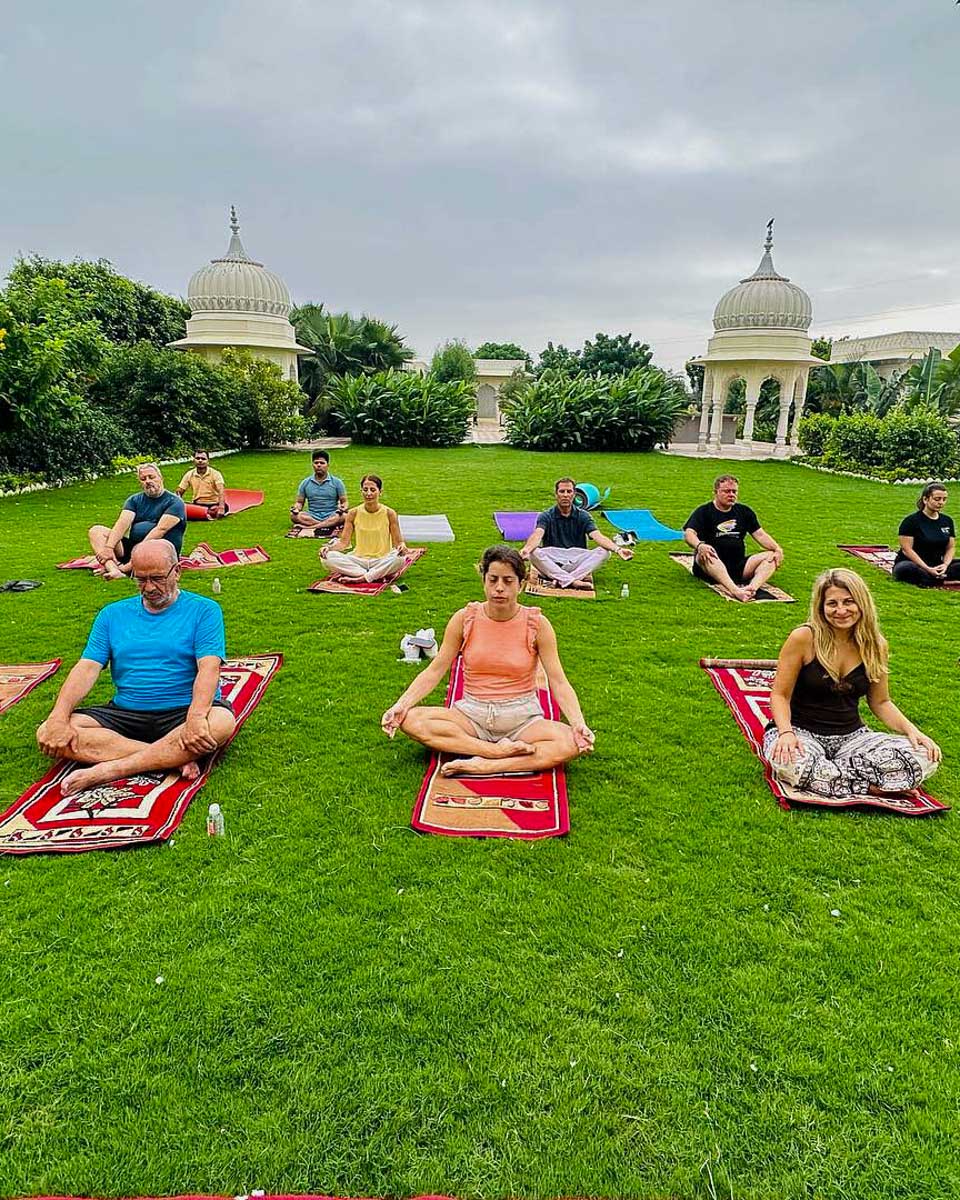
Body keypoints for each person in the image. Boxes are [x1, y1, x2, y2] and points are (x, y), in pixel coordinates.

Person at [36, 541, 236, 797]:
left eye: (157, 578)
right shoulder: (112, 615)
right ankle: (170, 757)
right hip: (126, 713)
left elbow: (209, 668)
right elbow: (87, 668)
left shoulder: (204, 610)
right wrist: (57, 717)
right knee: (50, 732)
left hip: (182, 712)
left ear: (177, 571)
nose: (149, 587)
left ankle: (111, 769)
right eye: (140, 579)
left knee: (220, 722)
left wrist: (195, 719)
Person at [381, 544, 593, 777]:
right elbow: (435, 670)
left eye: (508, 581)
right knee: (412, 720)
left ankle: (487, 765)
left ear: (521, 585)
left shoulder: (537, 624)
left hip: (522, 719)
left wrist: (578, 723)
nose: (499, 588)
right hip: (472, 715)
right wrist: (400, 705)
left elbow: (558, 681)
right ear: (484, 581)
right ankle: (494, 752)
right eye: (493, 580)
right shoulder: (464, 619)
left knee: (570, 742)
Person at [763, 567, 940, 800]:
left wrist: (913, 731)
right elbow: (780, 695)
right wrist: (785, 733)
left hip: (852, 738)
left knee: (925, 756)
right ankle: (869, 787)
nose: (841, 611)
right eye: (832, 604)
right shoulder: (804, 638)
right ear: (821, 607)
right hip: (800, 732)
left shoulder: (876, 645)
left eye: (849, 602)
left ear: (862, 604)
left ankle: (834, 777)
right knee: (788, 761)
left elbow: (881, 702)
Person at [683, 474, 784, 602]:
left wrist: (777, 549)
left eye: (734, 491)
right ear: (716, 492)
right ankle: (735, 591)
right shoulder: (704, 511)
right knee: (708, 553)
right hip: (710, 563)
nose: (731, 494)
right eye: (726, 491)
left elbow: (760, 534)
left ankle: (751, 589)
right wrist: (699, 545)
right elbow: (689, 533)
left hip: (738, 565)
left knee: (771, 556)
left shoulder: (744, 512)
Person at [521, 477, 632, 588]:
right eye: (562, 491)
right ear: (556, 494)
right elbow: (537, 534)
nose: (565, 495)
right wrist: (527, 549)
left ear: (574, 495)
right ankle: (573, 581)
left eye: (569, 491)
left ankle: (562, 579)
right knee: (534, 552)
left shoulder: (583, 515)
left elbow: (597, 536)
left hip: (576, 558)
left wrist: (618, 549)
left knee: (605, 552)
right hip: (553, 559)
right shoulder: (546, 515)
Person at [88, 463, 187, 580]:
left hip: (159, 551)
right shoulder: (134, 500)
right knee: (96, 531)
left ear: (161, 478)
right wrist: (109, 548)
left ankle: (122, 571)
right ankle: (113, 569)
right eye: (143, 479)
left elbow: (160, 530)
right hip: (133, 548)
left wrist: (134, 558)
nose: (148, 481)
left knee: (152, 550)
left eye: (151, 477)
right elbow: (122, 523)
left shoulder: (175, 502)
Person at [321, 474, 407, 582]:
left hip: (381, 559)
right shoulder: (353, 513)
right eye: (365, 490)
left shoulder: (389, 513)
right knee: (327, 557)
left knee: (400, 558)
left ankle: (362, 577)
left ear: (380, 492)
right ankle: (373, 575)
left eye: (372, 490)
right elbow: (344, 543)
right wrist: (329, 548)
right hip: (358, 560)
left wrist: (402, 547)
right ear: (361, 491)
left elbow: (398, 542)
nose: (369, 494)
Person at [893, 482, 960, 587]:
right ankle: (939, 579)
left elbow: (950, 547)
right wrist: (927, 568)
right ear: (925, 499)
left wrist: (945, 565)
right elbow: (907, 550)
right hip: (914, 564)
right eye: (937, 499)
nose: (941, 503)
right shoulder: (911, 521)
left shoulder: (947, 521)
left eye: (944, 499)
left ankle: (937, 578)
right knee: (906, 569)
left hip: (937, 563)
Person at [290, 450, 347, 535]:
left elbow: (344, 502)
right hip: (312, 516)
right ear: (312, 465)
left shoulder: (337, 482)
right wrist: (296, 509)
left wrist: (343, 508)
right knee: (293, 516)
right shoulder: (305, 483)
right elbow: (299, 502)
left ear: (328, 465)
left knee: (345, 516)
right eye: (316, 463)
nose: (319, 465)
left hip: (332, 515)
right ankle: (326, 525)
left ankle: (310, 527)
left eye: (322, 463)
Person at [176, 449, 228, 518]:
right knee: (182, 507)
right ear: (194, 460)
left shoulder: (216, 474)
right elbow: (179, 491)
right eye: (197, 458)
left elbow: (221, 491)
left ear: (208, 461)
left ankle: (203, 513)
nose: (200, 460)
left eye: (203, 459)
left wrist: (221, 507)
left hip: (214, 504)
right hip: (197, 505)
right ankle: (203, 513)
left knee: (218, 509)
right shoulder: (189, 474)